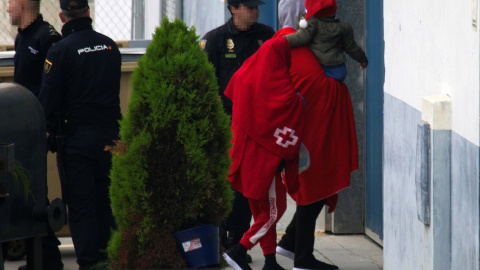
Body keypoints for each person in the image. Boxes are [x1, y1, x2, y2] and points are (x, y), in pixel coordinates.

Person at [274, 0, 359, 269]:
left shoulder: (301, 46)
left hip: (317, 127)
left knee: (319, 184)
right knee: (314, 185)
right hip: (311, 131)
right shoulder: (294, 46)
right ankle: (303, 258)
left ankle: (289, 242)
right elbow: (311, 87)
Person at [38, 0, 121, 269]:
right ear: (88, 12)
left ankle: (89, 263)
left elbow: (47, 102)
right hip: (110, 137)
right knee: (108, 201)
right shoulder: (110, 46)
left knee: (82, 206)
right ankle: (111, 257)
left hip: (77, 141)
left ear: (62, 16)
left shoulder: (59, 51)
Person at [201, 0, 275, 262]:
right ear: (233, 8)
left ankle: (242, 241)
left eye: (257, 7)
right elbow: (205, 85)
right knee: (231, 184)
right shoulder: (216, 40)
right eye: (249, 6)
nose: (255, 11)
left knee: (253, 188)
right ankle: (231, 239)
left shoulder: (267, 37)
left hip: (260, 129)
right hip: (229, 127)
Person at [223, 37, 305, 270]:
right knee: (275, 209)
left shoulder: (243, 77)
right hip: (263, 162)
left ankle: (270, 261)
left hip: (242, 156)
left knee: (262, 211)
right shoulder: (280, 88)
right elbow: (284, 115)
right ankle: (239, 250)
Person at [6, 0, 63, 269]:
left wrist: (48, 127)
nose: (6, 9)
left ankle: (49, 261)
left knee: (36, 196)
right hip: (20, 130)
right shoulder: (22, 36)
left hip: (36, 131)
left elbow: (55, 85)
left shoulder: (46, 37)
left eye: (9, 3)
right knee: (22, 194)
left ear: (21, 3)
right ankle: (37, 259)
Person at [284, 0, 368, 82]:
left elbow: (301, 37)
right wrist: (362, 59)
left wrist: (282, 40)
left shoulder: (311, 23)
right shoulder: (344, 27)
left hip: (321, 68)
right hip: (339, 70)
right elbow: (351, 47)